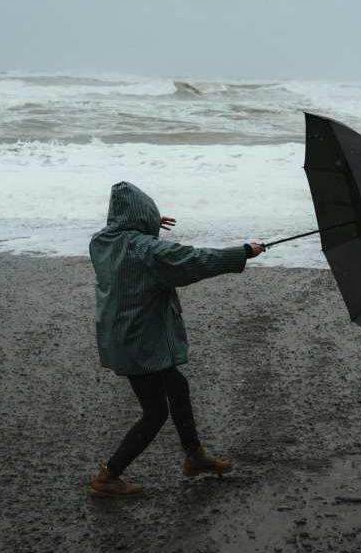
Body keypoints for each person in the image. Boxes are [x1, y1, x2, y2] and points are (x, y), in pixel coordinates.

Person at [87, 182, 265, 497]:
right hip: (139, 343)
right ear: (141, 218)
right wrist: (243, 252)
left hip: (120, 338)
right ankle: (108, 475)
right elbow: (192, 260)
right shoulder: (146, 251)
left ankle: (195, 456)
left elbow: (130, 241)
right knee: (155, 413)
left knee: (177, 385)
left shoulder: (101, 243)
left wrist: (148, 224)